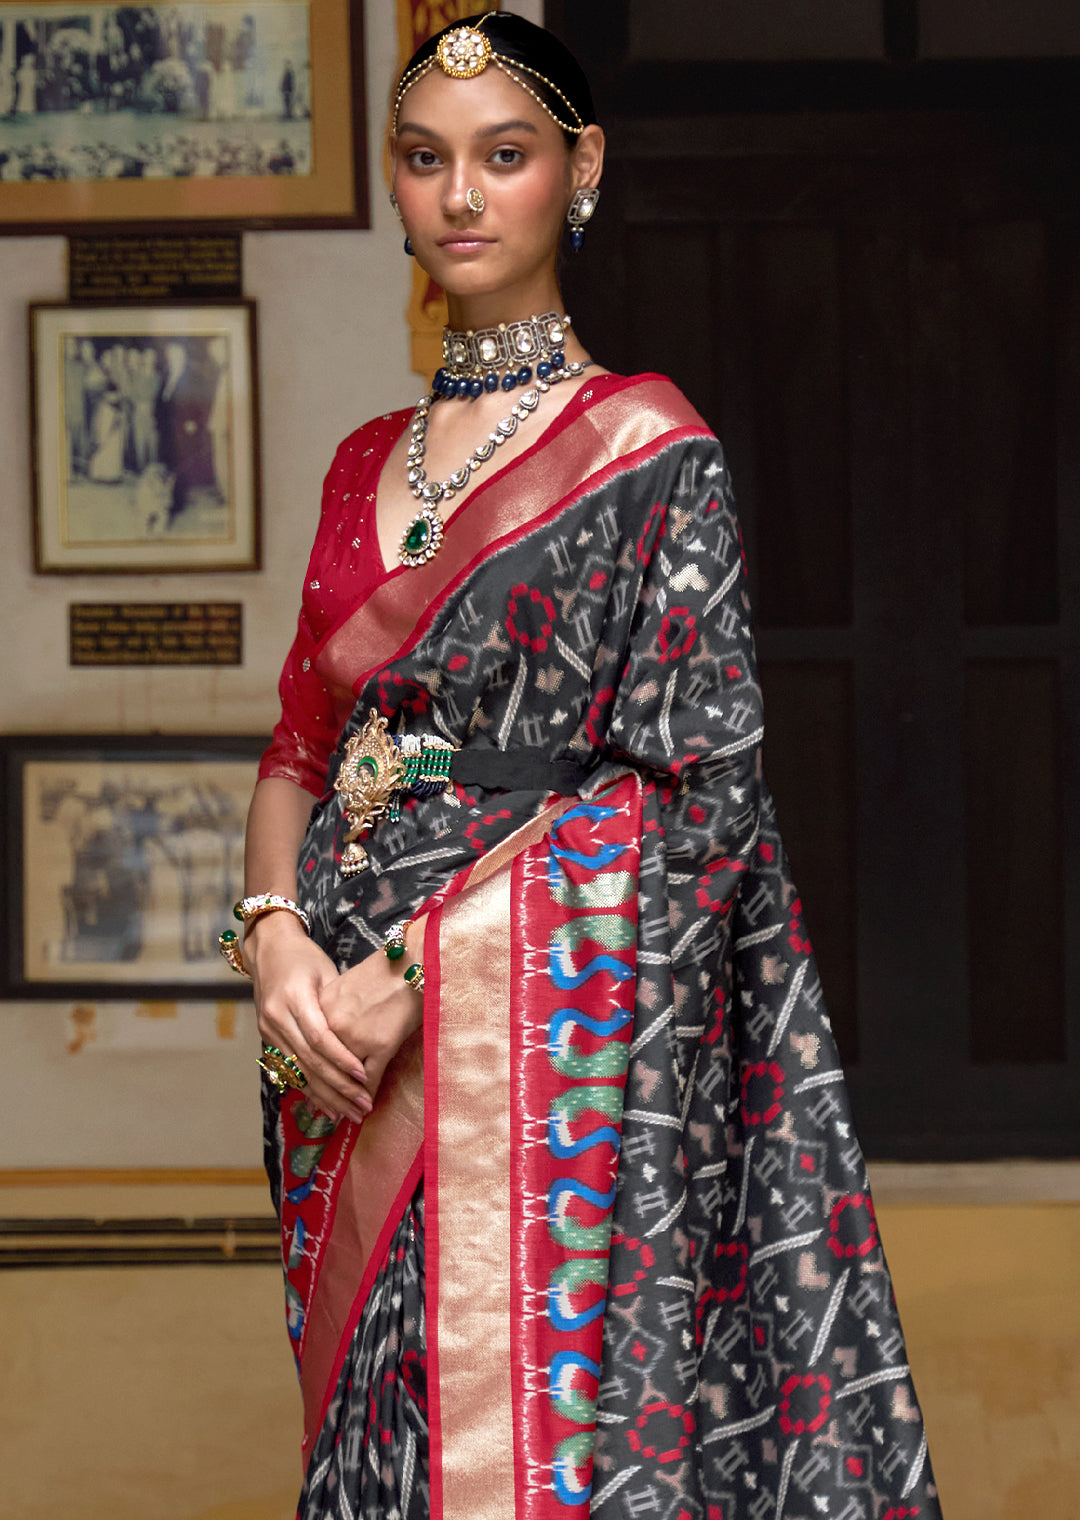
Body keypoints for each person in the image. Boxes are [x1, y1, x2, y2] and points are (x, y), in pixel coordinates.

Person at [233, 13, 942, 1519]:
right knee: (371, 1437)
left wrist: (423, 976)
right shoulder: (365, 462)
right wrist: (274, 938)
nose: (463, 197)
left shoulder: (649, 448)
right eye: (426, 161)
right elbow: (302, 748)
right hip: (334, 1044)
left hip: (537, 1035)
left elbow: (695, 798)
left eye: (506, 156)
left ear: (581, 169)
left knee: (525, 1445)